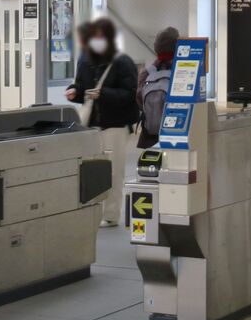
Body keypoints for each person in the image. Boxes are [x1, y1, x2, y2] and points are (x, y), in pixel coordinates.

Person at [65, 17, 139, 227]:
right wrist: (74, 91)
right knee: (90, 171)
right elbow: (81, 87)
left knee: (114, 172)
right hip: (91, 125)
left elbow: (130, 94)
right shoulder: (84, 60)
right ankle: (92, 211)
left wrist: (103, 94)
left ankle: (111, 214)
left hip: (115, 125)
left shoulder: (122, 62)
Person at [136, 26, 179, 149]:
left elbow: (140, 102)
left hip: (148, 138)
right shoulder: (181, 73)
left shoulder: (146, 73)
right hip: (175, 136)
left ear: (156, 48)